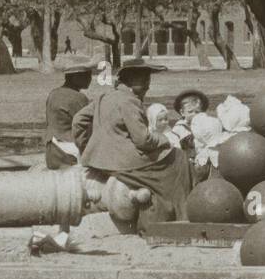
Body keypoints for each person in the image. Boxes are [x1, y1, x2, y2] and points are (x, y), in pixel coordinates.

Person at [72, 57, 192, 224]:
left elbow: (78, 120)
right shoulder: (129, 101)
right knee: (179, 158)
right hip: (123, 162)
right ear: (130, 80)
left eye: (148, 80)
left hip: (98, 160)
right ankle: (181, 215)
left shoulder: (105, 96)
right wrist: (164, 139)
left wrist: (87, 148)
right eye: (144, 80)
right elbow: (142, 140)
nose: (148, 85)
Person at [44, 60, 96, 169]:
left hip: (51, 147)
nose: (90, 79)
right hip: (69, 148)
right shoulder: (77, 97)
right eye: (86, 76)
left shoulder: (54, 93)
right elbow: (89, 126)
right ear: (74, 78)